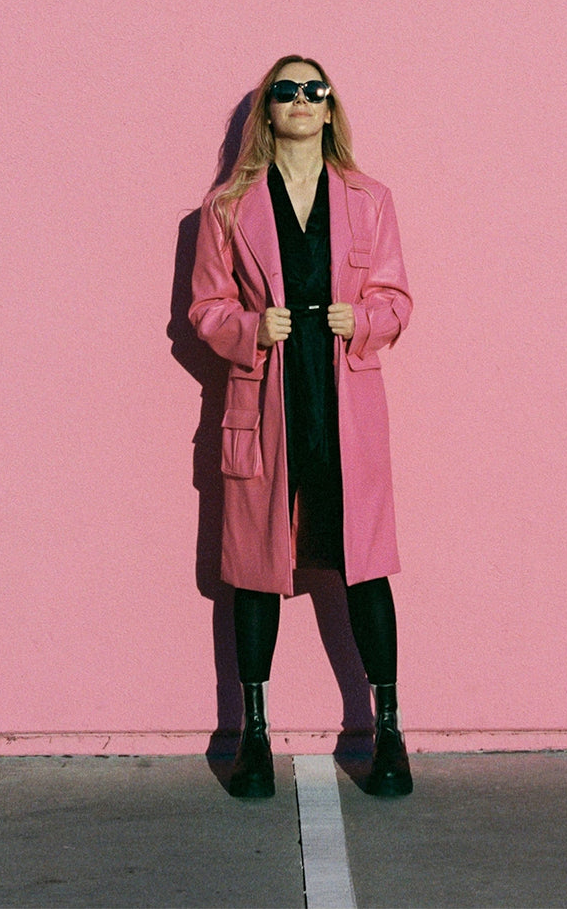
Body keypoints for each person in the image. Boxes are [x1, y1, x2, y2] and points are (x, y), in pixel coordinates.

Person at [189, 56, 413, 799]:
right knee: (254, 573)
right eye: (286, 90)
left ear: (330, 107)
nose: (302, 100)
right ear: (268, 110)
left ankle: (389, 731)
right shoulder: (227, 207)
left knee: (365, 566)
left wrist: (368, 319)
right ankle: (253, 737)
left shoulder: (370, 199)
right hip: (268, 407)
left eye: (315, 90)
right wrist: (252, 328)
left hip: (344, 404)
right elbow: (205, 308)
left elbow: (397, 297)